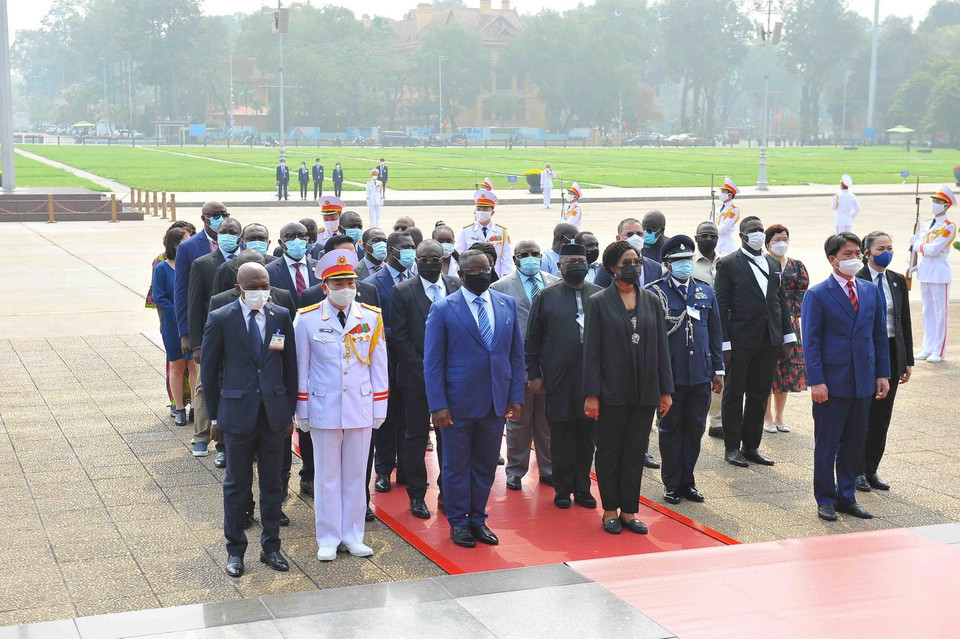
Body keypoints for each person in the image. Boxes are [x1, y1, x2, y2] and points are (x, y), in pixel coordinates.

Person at [201, 262, 298, 578]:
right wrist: (214, 417)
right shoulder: (221, 318)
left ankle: (271, 547)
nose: (261, 292)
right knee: (236, 486)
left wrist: (288, 411)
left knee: (273, 484)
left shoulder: (280, 316)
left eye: (265, 285)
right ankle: (235, 551)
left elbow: (290, 366)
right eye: (254, 286)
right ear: (238, 289)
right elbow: (210, 372)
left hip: (273, 416)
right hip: (237, 415)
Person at [424, 249, 525, 548]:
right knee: (456, 465)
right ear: (462, 274)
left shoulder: (506, 304)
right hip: (457, 403)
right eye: (476, 270)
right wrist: (437, 405)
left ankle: (478, 518)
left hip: (495, 400)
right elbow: (432, 363)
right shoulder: (443, 309)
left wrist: (514, 396)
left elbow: (515, 356)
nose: (483, 273)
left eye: (488, 268)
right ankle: (458, 522)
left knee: (484, 464)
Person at [294, 249, 388, 561]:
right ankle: (329, 537)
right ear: (324, 287)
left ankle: (353, 534)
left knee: (356, 473)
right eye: (337, 283)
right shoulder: (306, 320)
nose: (345, 288)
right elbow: (301, 369)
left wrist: (379, 408)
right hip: (324, 407)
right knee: (326, 476)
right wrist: (302, 410)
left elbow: (379, 366)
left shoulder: (371, 317)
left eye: (350, 281)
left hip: (359, 406)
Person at [584, 241, 673, 535]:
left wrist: (665, 390)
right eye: (627, 262)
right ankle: (609, 510)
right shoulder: (598, 302)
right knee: (610, 451)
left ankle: (629, 511)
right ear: (613, 267)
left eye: (637, 261)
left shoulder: (651, 300)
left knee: (635, 452)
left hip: (645, 391)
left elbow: (661, 348)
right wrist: (592, 394)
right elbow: (592, 352)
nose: (633, 266)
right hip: (611, 392)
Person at [802, 233, 890, 522]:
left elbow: (878, 335)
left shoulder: (868, 290)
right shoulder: (817, 294)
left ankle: (847, 496)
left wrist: (882, 374)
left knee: (854, 443)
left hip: (863, 379)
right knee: (827, 443)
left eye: (857, 253)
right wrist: (816, 381)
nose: (855, 259)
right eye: (848, 254)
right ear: (833, 259)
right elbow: (811, 342)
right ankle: (825, 498)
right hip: (832, 381)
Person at [646, 236, 723, 505]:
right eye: (678, 262)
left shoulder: (705, 290)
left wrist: (718, 370)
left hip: (700, 373)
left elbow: (714, 332)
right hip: (671, 375)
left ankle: (687, 481)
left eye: (687, 261)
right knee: (669, 430)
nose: (684, 266)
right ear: (667, 264)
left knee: (694, 429)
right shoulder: (654, 292)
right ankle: (671, 482)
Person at [713, 216, 795, 468]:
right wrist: (724, 344)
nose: (758, 234)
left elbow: (779, 300)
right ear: (743, 236)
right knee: (735, 393)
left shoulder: (772, 262)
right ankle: (731, 447)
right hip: (740, 340)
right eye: (753, 231)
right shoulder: (728, 264)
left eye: (761, 230)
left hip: (769, 338)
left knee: (759, 394)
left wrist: (787, 335)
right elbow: (721, 306)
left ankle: (752, 446)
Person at [526, 243, 601, 508]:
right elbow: (532, 340)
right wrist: (534, 374)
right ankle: (562, 488)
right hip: (558, 380)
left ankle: (583, 488)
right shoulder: (546, 297)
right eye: (570, 261)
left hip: (591, 381)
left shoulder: (600, 295)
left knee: (587, 436)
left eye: (581, 260)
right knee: (560, 436)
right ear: (559, 266)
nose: (576, 265)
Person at [391, 239, 462, 518]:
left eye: (436, 259)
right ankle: (417, 493)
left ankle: (448, 490)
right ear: (416, 261)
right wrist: (426, 371)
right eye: (425, 259)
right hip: (416, 377)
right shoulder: (402, 291)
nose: (431, 264)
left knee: (450, 435)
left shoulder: (456, 284)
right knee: (416, 435)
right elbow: (399, 337)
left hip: (453, 377)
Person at [491, 240, 559, 491]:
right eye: (525, 254)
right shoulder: (500, 286)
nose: (531, 258)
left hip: (550, 366)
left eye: (535, 254)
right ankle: (515, 470)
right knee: (518, 422)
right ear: (516, 258)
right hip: (518, 367)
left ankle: (548, 468)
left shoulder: (555, 282)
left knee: (546, 422)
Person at [857, 231, 913, 492]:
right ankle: (855, 470)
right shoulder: (856, 279)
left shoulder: (896, 280)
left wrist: (907, 359)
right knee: (862, 415)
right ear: (867, 252)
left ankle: (871, 470)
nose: (886, 253)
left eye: (890, 247)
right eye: (880, 248)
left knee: (882, 415)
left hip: (891, 350)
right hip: (866, 352)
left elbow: (905, 320)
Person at [174, 202, 229, 458]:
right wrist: (188, 334)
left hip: (233, 326)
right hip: (206, 326)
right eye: (214, 216)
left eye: (224, 215)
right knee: (204, 383)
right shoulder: (189, 248)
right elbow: (184, 293)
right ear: (203, 218)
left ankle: (224, 442)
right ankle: (201, 435)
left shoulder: (235, 242)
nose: (220, 220)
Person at [366, 231, 417, 493]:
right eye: (405, 247)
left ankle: (407, 470)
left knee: (409, 420)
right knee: (386, 420)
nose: (410, 251)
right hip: (384, 361)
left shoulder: (417, 281)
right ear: (391, 251)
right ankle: (384, 469)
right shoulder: (373, 284)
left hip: (410, 362)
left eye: (412, 246)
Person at [762, 225, 809, 434]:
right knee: (767, 371)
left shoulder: (796, 266)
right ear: (767, 244)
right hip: (768, 323)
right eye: (777, 240)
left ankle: (780, 415)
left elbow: (802, 291)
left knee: (786, 369)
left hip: (790, 325)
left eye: (785, 239)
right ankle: (766, 416)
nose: (782, 243)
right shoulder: (762, 264)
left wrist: (793, 313)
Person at [153, 226, 197, 426]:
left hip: (192, 322)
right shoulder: (162, 268)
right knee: (176, 365)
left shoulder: (193, 266)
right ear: (174, 245)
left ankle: (196, 408)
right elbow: (158, 297)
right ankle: (179, 407)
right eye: (183, 242)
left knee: (194, 364)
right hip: (173, 324)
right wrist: (179, 310)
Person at [911, 185, 956, 363]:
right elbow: (924, 249)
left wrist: (916, 244)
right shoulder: (928, 223)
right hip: (926, 271)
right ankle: (927, 347)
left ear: (946, 205)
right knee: (927, 312)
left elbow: (932, 249)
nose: (934, 204)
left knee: (940, 312)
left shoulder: (948, 227)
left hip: (939, 272)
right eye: (934, 201)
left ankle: (939, 349)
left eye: (938, 201)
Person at [693, 221, 726, 439]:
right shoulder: (689, 263)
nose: (709, 239)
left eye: (713, 235)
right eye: (704, 235)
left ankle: (717, 422)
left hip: (722, 325)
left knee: (719, 371)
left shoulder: (726, 261)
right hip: (696, 325)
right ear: (696, 239)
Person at [455, 189, 513, 278]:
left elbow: (507, 258)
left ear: (492, 212)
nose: (481, 212)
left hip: (495, 275)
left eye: (485, 209)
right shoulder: (466, 231)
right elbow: (459, 255)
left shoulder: (502, 231)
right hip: (473, 274)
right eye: (478, 209)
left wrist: (505, 277)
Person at [593, 218, 663, 289]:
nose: (636, 238)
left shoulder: (655, 268)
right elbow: (599, 295)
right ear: (618, 239)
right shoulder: (606, 268)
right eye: (630, 234)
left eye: (639, 234)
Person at [265, 221, 320, 307]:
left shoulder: (319, 267)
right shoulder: (269, 271)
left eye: (302, 236)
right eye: (290, 237)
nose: (297, 241)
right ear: (280, 243)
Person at [212, 224, 274, 295]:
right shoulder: (227, 269)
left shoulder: (276, 266)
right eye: (251, 239)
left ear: (268, 242)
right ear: (242, 242)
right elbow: (219, 299)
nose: (257, 242)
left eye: (261, 238)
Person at [715, 178, 741, 254]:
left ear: (729, 195)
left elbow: (724, 228)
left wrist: (711, 230)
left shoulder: (733, 210)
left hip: (725, 244)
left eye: (723, 192)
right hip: (716, 241)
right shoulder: (719, 207)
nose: (721, 194)